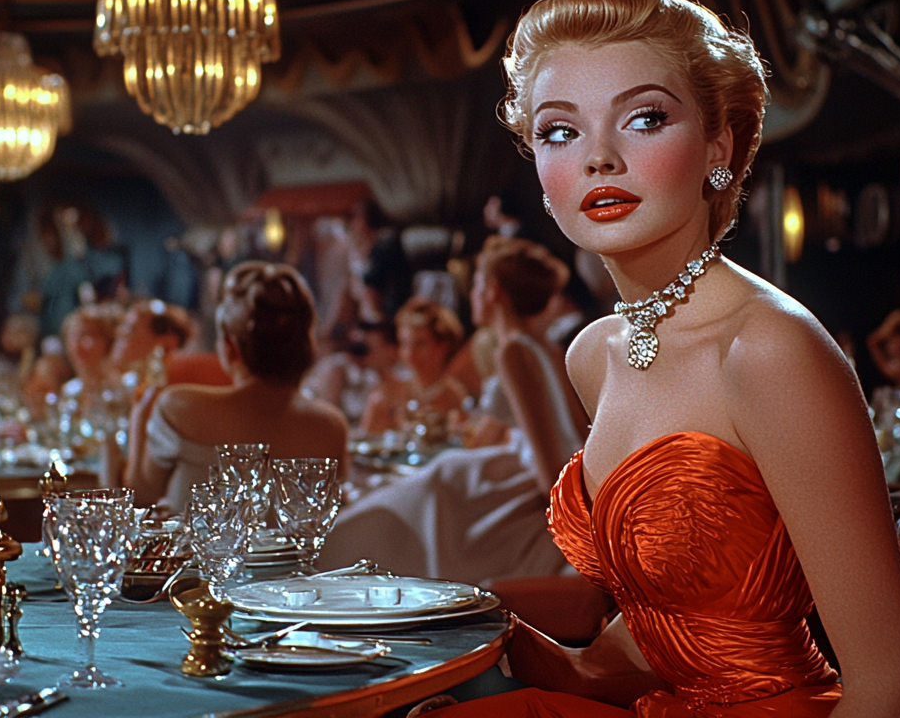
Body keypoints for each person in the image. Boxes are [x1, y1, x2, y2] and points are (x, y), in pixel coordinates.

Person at [430, 0, 900, 717]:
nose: (599, 158)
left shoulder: (768, 351)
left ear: (717, 144)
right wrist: (559, 662)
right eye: (560, 131)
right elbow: (678, 616)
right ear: (541, 171)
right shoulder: (595, 354)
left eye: (642, 119)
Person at [320, 236, 589, 584]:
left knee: (434, 486)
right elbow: (582, 432)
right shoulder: (547, 347)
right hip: (554, 473)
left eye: (475, 282)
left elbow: (544, 456)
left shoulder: (511, 352)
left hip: (540, 484)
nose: (471, 293)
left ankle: (331, 562)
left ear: (493, 292)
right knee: (435, 477)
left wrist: (573, 523)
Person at [124, 262, 349, 513]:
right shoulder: (331, 427)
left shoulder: (181, 407)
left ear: (231, 347)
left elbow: (142, 497)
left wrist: (138, 416)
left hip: (200, 552)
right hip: (295, 554)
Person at [359, 299, 469, 435]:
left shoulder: (455, 397)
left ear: (442, 347)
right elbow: (367, 444)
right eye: (405, 343)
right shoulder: (386, 394)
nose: (410, 353)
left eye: (420, 344)